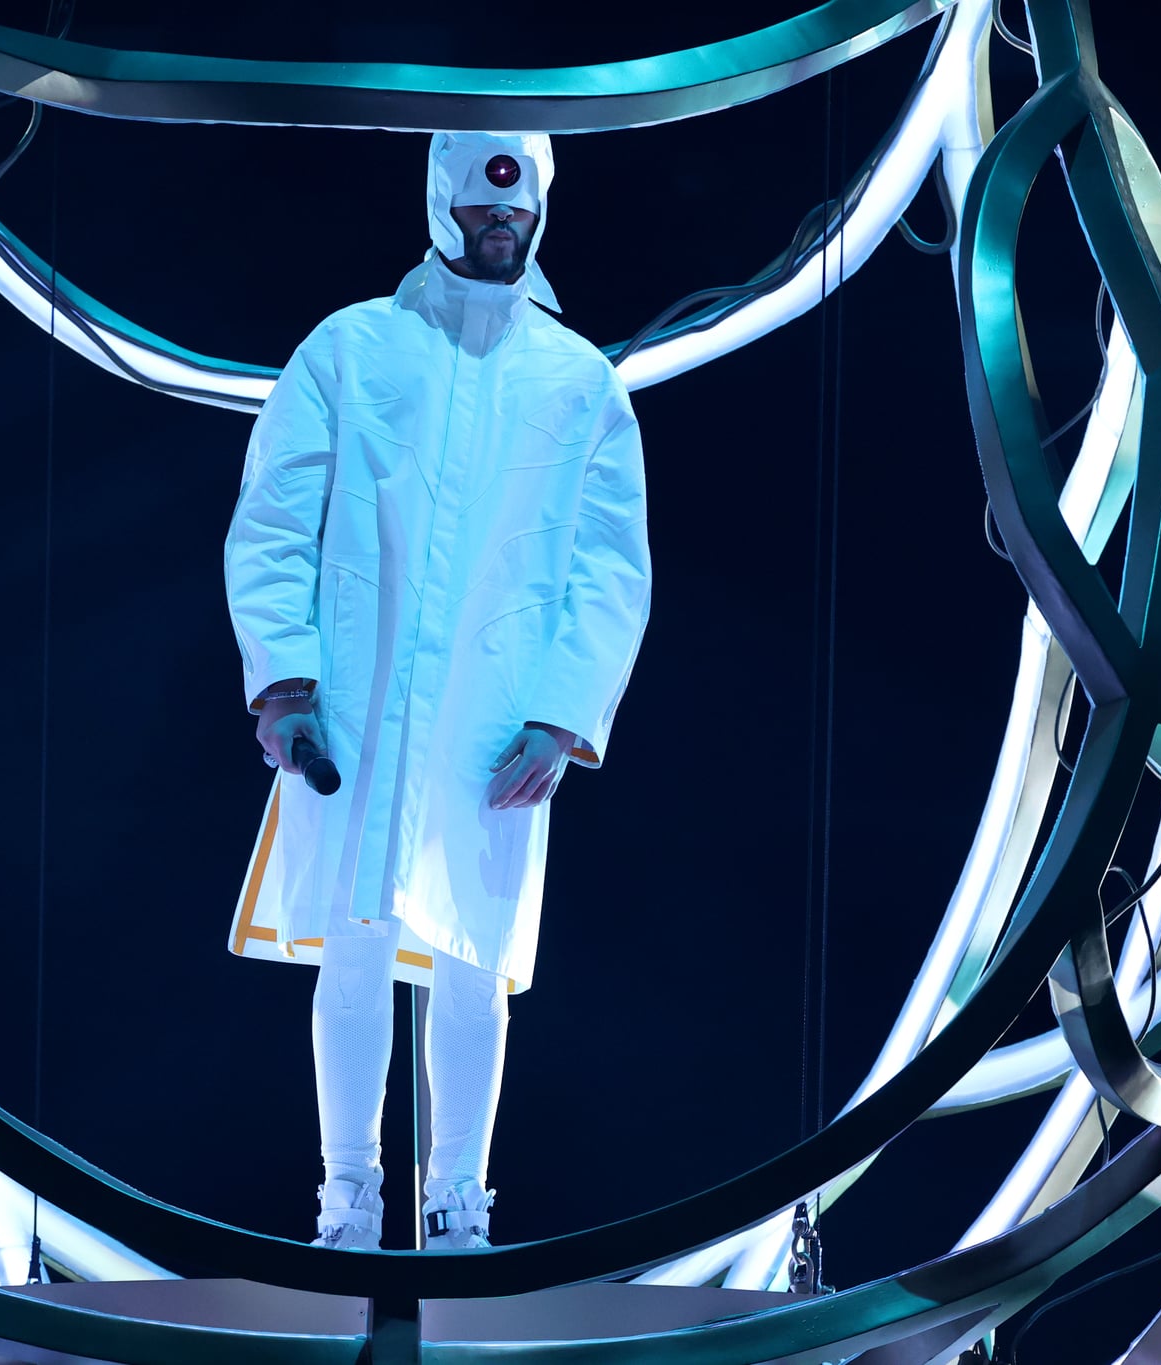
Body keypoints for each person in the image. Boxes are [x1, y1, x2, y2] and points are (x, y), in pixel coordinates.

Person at [223, 131, 651, 1252]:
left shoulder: (578, 382)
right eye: (479, 210)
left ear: (542, 210)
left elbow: (612, 568)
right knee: (353, 947)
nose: (497, 226)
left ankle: (458, 1201)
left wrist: (565, 714)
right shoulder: (351, 350)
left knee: (474, 963)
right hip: (357, 712)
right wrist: (284, 679)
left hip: (494, 720)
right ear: (440, 204)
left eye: (514, 210)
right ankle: (347, 1197)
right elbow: (272, 517)